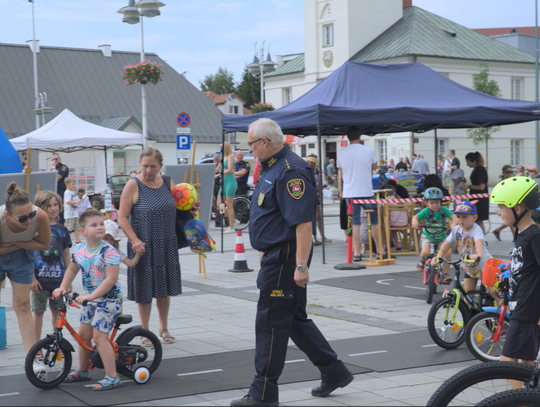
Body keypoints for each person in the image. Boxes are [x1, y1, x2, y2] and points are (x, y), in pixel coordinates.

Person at [231, 118, 353, 407]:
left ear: (264, 142)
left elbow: (302, 223)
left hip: (286, 258)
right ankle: (334, 371)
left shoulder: (291, 169)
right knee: (293, 319)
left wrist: (300, 265)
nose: (249, 149)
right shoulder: (273, 166)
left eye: (251, 143)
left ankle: (262, 392)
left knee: (271, 321)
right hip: (277, 255)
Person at [53, 210, 123, 390]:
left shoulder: (109, 251)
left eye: (101, 223)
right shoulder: (79, 249)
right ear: (82, 231)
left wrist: (91, 296)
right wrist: (62, 286)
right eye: (94, 225)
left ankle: (112, 376)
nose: (100, 227)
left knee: (99, 338)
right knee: (83, 336)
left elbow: (111, 279)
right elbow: (72, 269)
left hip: (108, 301)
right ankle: (83, 370)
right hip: (89, 300)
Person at [118, 147, 182, 344]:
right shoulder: (133, 184)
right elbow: (121, 217)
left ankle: (163, 328)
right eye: (144, 166)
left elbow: (178, 205)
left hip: (166, 242)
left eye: (152, 166)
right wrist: (134, 240)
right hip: (143, 244)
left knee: (164, 287)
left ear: (160, 166)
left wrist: (189, 207)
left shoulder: (167, 181)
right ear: (139, 165)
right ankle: (144, 331)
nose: (148, 170)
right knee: (144, 289)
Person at [489, 177, 540, 370]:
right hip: (520, 306)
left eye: (502, 207)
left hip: (528, 309)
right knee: (527, 361)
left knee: (507, 362)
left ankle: (519, 401)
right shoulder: (522, 234)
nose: (499, 212)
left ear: (517, 208)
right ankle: (529, 396)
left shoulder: (534, 235)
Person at [0, 182, 51, 354]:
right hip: (16, 251)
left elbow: (44, 243)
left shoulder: (41, 216)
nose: (29, 220)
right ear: (8, 214)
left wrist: (13, 243)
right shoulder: (0, 218)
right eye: (23, 218)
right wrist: (24, 243)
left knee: (22, 305)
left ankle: (33, 356)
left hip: (22, 256)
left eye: (31, 214)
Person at [31, 191, 72, 353]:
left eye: (55, 204)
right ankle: (36, 347)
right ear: (40, 208)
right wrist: (32, 279)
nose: (53, 208)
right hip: (39, 281)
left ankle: (57, 343)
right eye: (48, 205)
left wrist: (67, 281)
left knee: (58, 314)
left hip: (59, 282)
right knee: (38, 313)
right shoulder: (34, 229)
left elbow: (67, 256)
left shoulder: (62, 230)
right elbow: (29, 256)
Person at [337, 126, 384, 262]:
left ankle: (357, 253)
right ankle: (379, 251)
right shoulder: (368, 150)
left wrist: (341, 191)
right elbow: (375, 167)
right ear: (360, 136)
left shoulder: (341, 152)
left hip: (350, 193)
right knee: (374, 221)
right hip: (366, 191)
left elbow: (340, 173)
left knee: (355, 223)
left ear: (348, 137)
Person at [435, 201, 493, 294]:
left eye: (465, 217)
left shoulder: (476, 230)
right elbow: (447, 243)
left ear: (474, 217)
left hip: (484, 264)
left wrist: (478, 254)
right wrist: (439, 256)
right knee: (468, 292)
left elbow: (479, 242)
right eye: (458, 217)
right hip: (470, 266)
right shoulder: (456, 229)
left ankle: (504, 308)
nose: (461, 220)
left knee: (493, 291)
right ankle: (468, 308)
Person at [411, 187, 456, 279]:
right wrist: (415, 222)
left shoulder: (443, 210)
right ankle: (422, 260)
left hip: (441, 236)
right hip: (428, 236)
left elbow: (454, 217)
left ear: (440, 202)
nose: (434, 205)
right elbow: (416, 217)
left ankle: (445, 274)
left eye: (437, 202)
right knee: (425, 252)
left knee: (448, 254)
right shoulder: (426, 211)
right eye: (431, 203)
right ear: (427, 203)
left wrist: (453, 225)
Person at [306, 156, 331, 245]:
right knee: (313, 216)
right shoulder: (306, 170)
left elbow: (319, 183)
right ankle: (314, 236)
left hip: (317, 196)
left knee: (318, 216)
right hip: (309, 196)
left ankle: (321, 235)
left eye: (311, 162)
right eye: (309, 161)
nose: (310, 163)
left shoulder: (317, 171)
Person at [465, 151, 489, 231]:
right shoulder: (477, 169)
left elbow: (481, 187)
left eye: (468, 162)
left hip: (480, 200)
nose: (467, 164)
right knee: (477, 221)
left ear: (474, 161)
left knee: (479, 221)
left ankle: (481, 238)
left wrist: (468, 186)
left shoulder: (480, 170)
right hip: (477, 199)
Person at [218, 141, 238, 234]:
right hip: (223, 182)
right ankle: (233, 220)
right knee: (219, 205)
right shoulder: (222, 157)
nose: (220, 149)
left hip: (230, 181)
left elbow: (230, 170)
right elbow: (218, 168)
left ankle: (231, 227)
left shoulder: (230, 156)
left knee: (229, 205)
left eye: (221, 147)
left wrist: (220, 173)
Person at [493, 164, 516, 241]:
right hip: (504, 203)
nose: (510, 174)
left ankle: (497, 230)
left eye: (511, 172)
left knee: (511, 219)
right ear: (503, 173)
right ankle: (515, 237)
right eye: (507, 172)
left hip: (511, 201)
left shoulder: (513, 181)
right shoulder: (502, 183)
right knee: (511, 219)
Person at [50, 153, 69, 225]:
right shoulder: (52, 169)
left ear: (60, 158)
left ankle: (61, 223)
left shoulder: (63, 167)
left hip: (61, 191)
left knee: (60, 208)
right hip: (55, 190)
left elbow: (57, 177)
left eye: (56, 159)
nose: (54, 161)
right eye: (53, 159)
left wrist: (53, 167)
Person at [64, 178, 82, 244]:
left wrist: (79, 201)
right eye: (72, 184)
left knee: (76, 227)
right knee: (69, 228)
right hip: (69, 214)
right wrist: (76, 201)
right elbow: (68, 202)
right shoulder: (67, 192)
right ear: (67, 184)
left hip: (75, 213)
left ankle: (77, 240)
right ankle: (66, 240)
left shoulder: (72, 192)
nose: (74, 185)